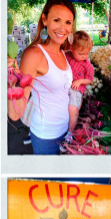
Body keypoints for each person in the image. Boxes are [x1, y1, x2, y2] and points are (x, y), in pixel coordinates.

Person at [7, 0, 75, 155]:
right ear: (45, 19)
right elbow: (15, 114)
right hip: (47, 135)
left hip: (65, 130)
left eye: (68, 22)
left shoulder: (62, 53)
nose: (62, 28)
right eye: (56, 20)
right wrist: (10, 78)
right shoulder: (34, 55)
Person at [64, 31, 94, 136]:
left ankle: (70, 133)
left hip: (76, 89)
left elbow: (90, 79)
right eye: (81, 53)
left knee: (72, 109)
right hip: (64, 85)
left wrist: (80, 81)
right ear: (71, 49)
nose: (84, 56)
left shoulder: (87, 65)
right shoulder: (66, 55)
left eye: (86, 53)